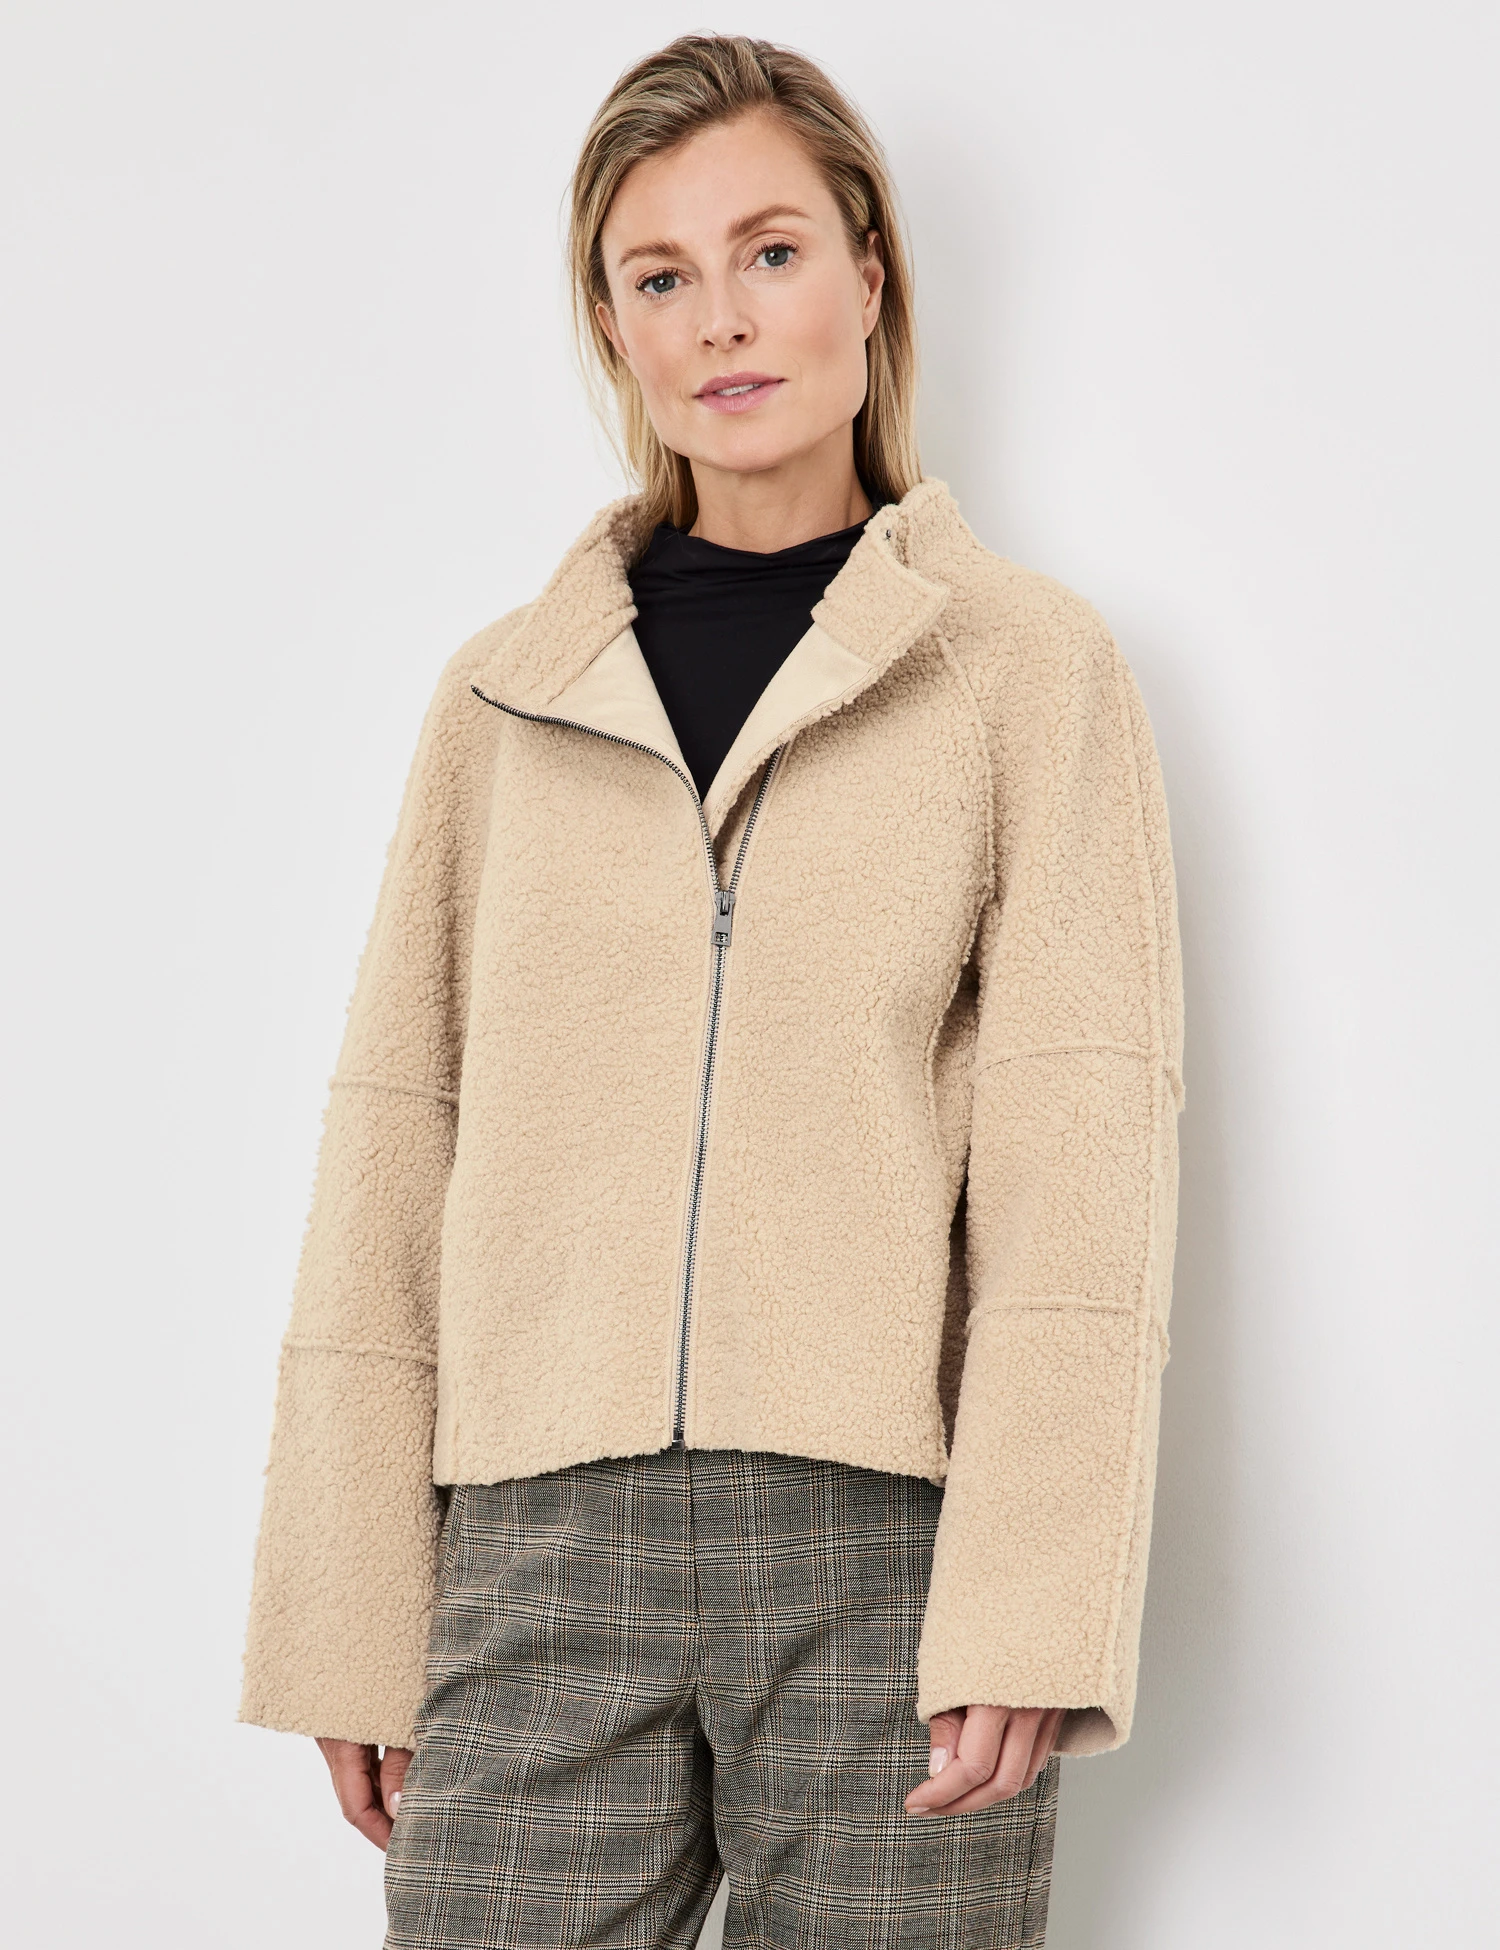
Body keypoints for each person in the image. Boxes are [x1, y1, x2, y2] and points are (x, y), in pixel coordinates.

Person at [241, 33, 1184, 1950]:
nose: (721, 319)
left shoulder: (1024, 671)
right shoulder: (504, 694)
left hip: (885, 1551)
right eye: (659, 275)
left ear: (868, 275)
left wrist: (1032, 1601)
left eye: (769, 252)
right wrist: (350, 1605)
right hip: (533, 1542)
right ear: (612, 325)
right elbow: (394, 1142)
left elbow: (1082, 1161)